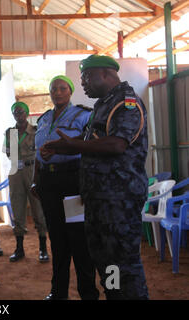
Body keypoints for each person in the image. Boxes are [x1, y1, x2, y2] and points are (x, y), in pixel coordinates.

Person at [43, 56, 149, 300]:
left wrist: (75, 145)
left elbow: (117, 145)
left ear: (106, 74)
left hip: (118, 201)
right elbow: (94, 144)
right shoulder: (104, 104)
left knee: (123, 266)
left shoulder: (126, 103)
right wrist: (63, 147)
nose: (83, 83)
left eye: (87, 77)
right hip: (99, 201)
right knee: (107, 263)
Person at [31, 75, 99, 300]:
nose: (57, 92)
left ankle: (88, 293)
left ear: (70, 92)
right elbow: (38, 156)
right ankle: (58, 292)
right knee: (58, 240)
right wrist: (35, 180)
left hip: (73, 182)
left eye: (62, 88)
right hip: (49, 184)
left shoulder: (84, 115)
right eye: (53, 89)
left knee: (79, 240)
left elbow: (91, 147)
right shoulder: (43, 119)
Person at [3, 102, 48, 263]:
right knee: (17, 207)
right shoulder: (10, 133)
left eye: (21, 112)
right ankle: (19, 248)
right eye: (15, 112)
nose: (18, 115)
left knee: (38, 207)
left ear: (27, 113)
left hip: (32, 171)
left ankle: (43, 248)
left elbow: (42, 153)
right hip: (15, 172)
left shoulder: (36, 131)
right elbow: (8, 152)